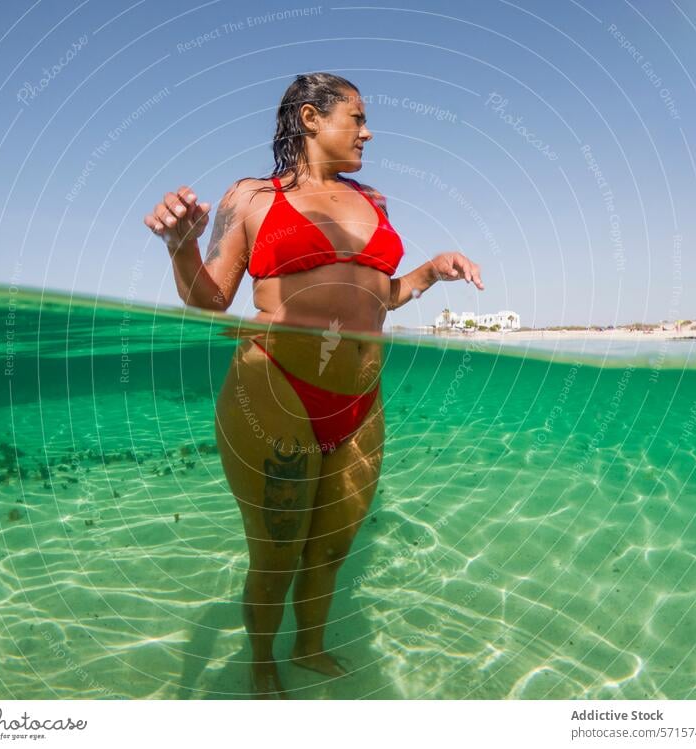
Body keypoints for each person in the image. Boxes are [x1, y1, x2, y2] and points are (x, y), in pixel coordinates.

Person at [144, 72, 484, 698]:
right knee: (276, 553)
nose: (367, 129)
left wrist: (432, 272)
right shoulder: (250, 197)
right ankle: (262, 664)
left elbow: (380, 294)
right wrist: (181, 248)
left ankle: (310, 645)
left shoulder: (374, 199)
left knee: (331, 546)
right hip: (274, 389)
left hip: (360, 401)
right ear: (309, 118)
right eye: (356, 116)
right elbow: (211, 299)